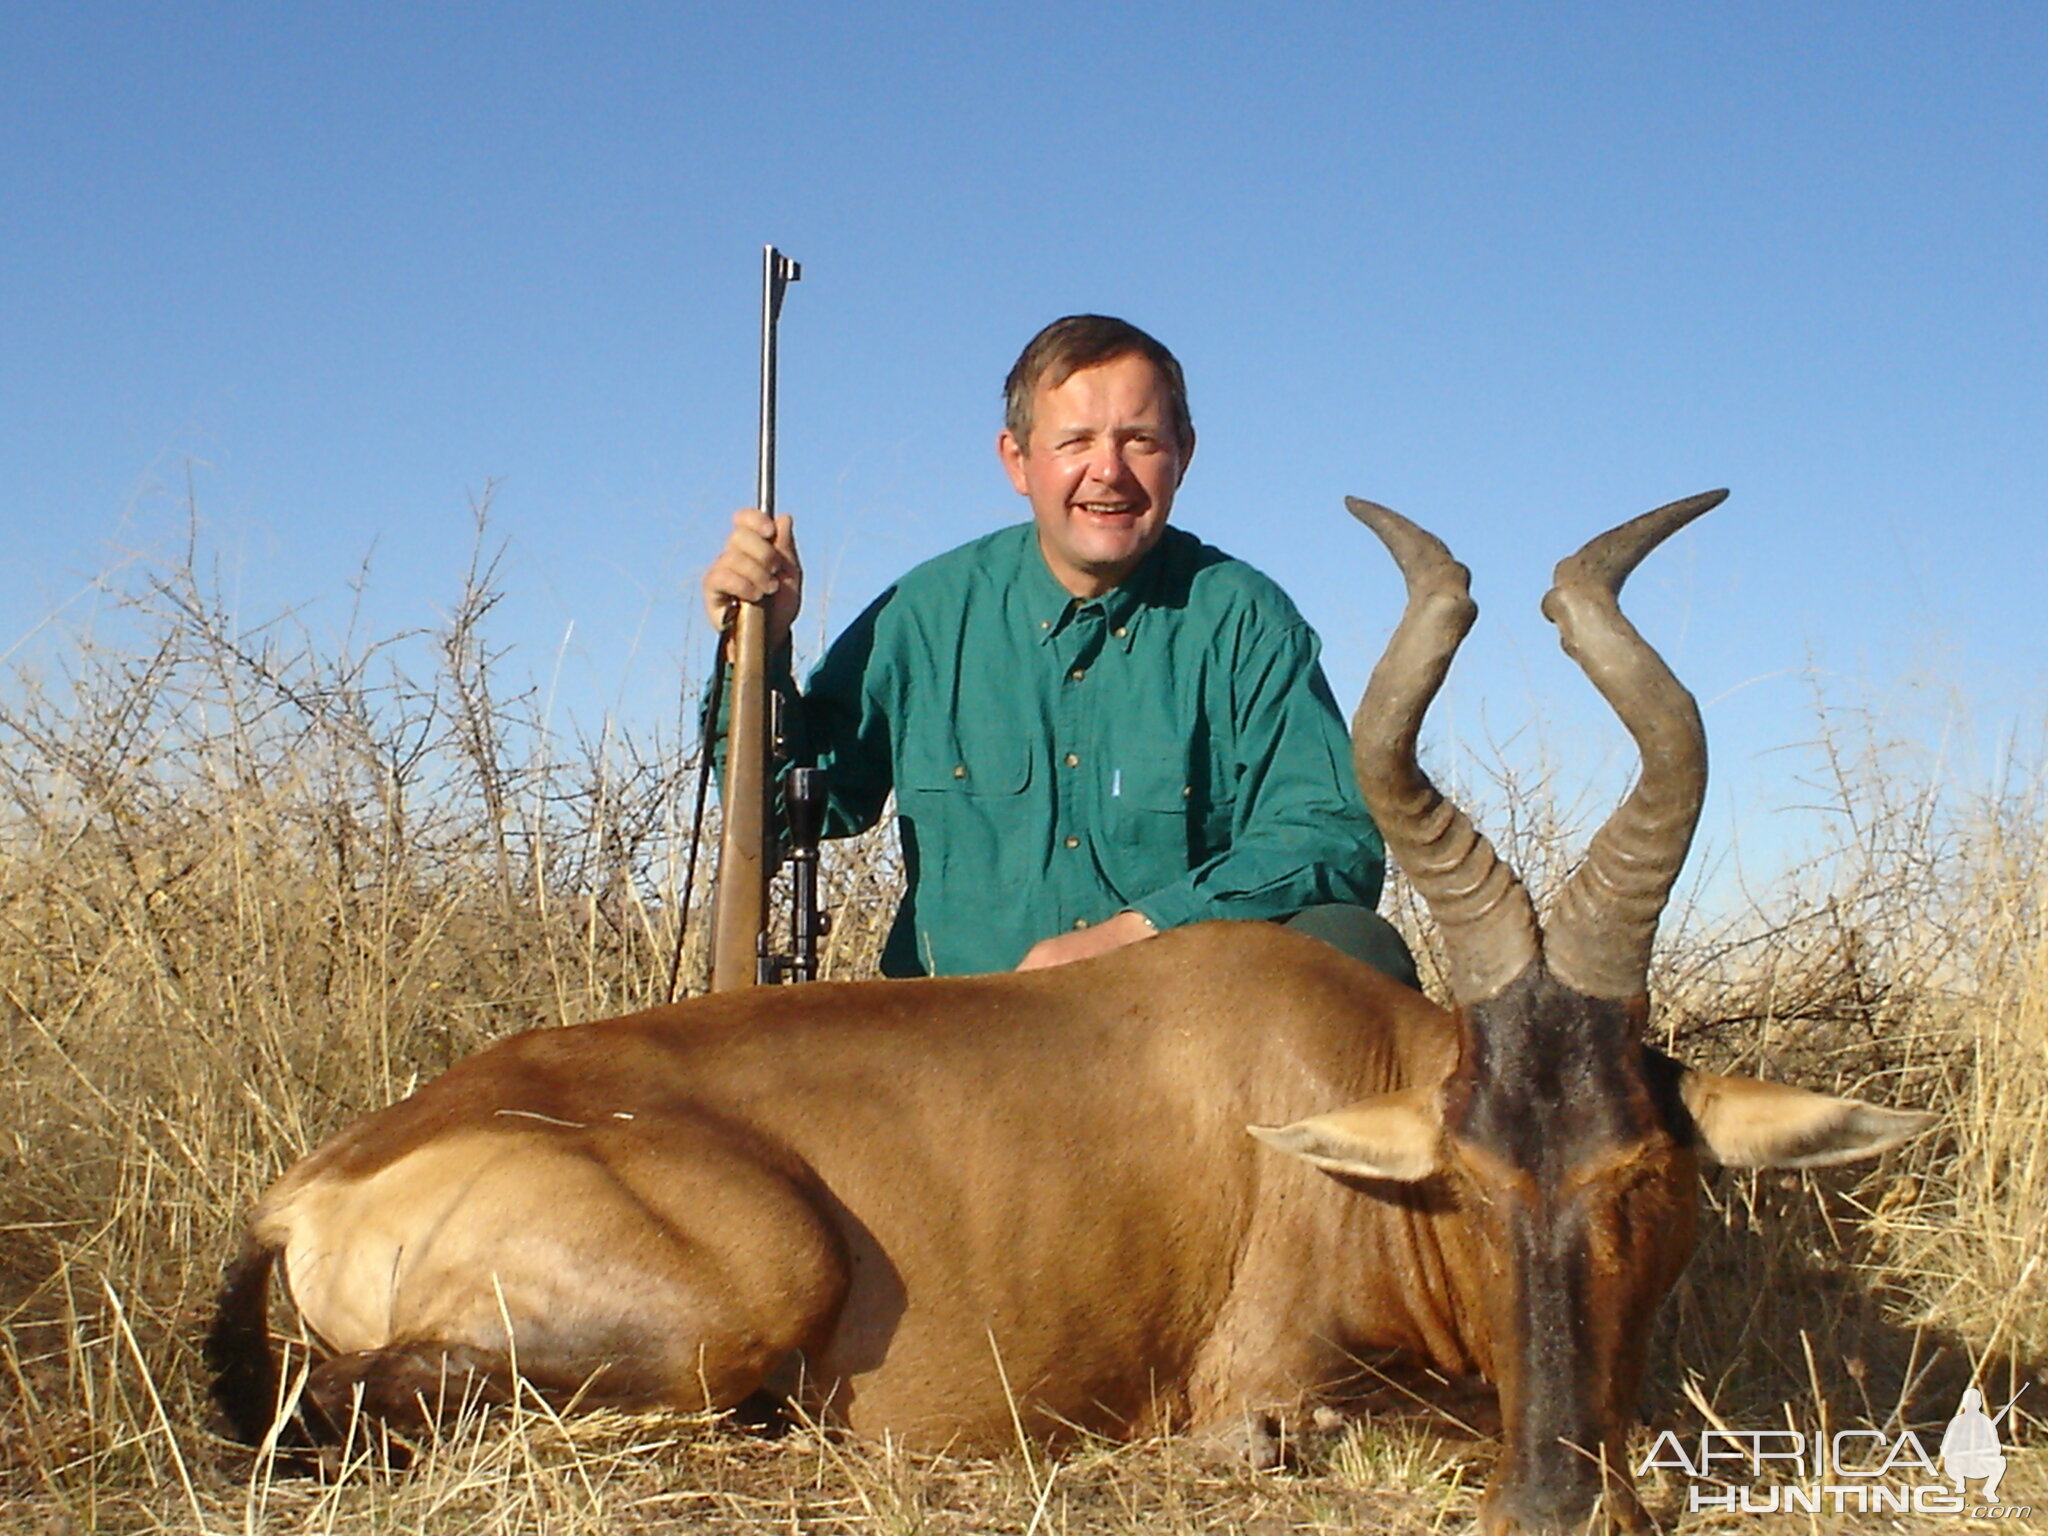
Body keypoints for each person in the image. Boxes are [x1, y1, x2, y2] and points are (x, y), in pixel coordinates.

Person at [702, 314, 1413, 982]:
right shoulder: (925, 614)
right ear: (1017, 460)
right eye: (1075, 442)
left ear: (1183, 456)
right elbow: (789, 808)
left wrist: (1138, 932)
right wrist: (755, 648)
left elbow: (1330, 838)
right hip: (958, 1038)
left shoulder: (1243, 619)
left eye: (1140, 440)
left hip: (1168, 1033)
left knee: (1360, 947)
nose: (1108, 471)